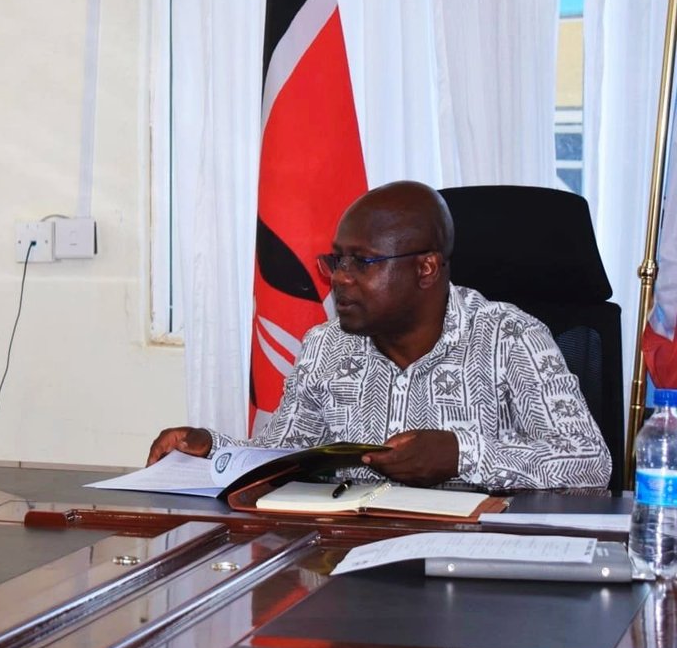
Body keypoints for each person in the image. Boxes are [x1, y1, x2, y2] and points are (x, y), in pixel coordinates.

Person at [148, 181, 611, 490]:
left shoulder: (509, 338)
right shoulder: (325, 346)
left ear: (426, 268)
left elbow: (590, 462)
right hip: (349, 568)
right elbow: (286, 454)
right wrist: (212, 448)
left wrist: (460, 454)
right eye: (337, 260)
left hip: (470, 574)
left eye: (362, 262)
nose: (340, 279)